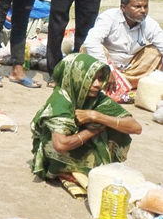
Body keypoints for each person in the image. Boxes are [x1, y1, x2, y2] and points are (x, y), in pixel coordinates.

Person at [31, 53, 142, 199]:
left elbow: (136, 127)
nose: (97, 84)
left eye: (100, 79)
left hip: (81, 143)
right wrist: (93, 130)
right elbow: (61, 144)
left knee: (119, 127)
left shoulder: (97, 98)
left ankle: (86, 169)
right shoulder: (60, 100)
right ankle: (66, 169)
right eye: (91, 79)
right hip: (58, 150)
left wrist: (96, 116)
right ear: (77, 77)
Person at [82, 0, 163, 89]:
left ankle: (124, 84)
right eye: (137, 7)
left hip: (131, 69)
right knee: (87, 48)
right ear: (123, 7)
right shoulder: (109, 17)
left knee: (155, 52)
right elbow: (91, 42)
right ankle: (104, 81)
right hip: (106, 65)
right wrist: (107, 69)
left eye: (145, 7)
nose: (143, 11)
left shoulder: (148, 23)